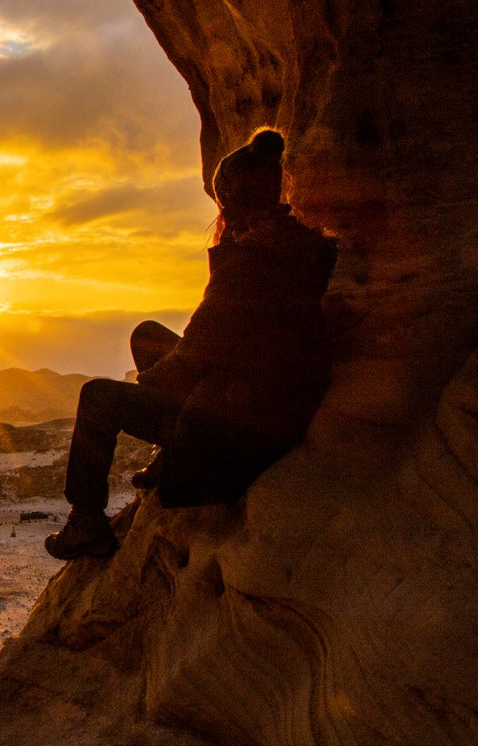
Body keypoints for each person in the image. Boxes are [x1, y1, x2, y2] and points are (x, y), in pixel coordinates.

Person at [45, 128, 337, 560]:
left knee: (97, 397)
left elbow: (193, 357)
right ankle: (163, 453)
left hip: (233, 439)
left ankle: (86, 522)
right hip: (264, 410)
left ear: (232, 203)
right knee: (147, 335)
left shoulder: (249, 264)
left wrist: (147, 390)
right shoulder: (303, 247)